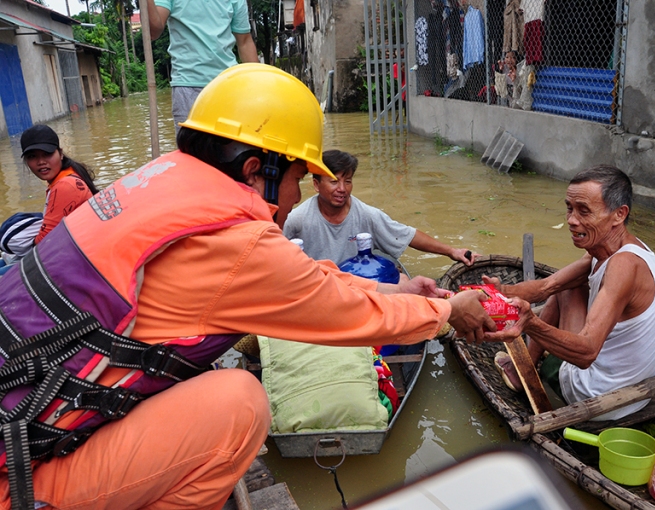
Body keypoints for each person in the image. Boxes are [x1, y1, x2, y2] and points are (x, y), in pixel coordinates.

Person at [0, 64, 495, 509]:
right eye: (298, 177)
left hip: (19, 421)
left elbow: (311, 279)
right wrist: (449, 314)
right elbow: (341, 312)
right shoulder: (234, 240)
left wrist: (402, 293)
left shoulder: (157, 182)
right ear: (257, 171)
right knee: (239, 403)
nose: (298, 194)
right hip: (15, 477)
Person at [487, 166, 655, 421]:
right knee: (564, 285)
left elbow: (587, 353)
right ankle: (527, 363)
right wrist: (500, 291)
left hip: (599, 397)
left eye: (584, 211)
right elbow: (546, 286)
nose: (571, 220)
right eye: (569, 208)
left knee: (568, 289)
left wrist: (530, 323)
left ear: (619, 215)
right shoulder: (618, 249)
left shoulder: (623, 265)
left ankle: (525, 368)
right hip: (633, 396)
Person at [283, 149, 479, 267]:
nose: (342, 189)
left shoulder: (366, 215)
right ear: (316, 185)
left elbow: (406, 235)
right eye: (334, 182)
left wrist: (452, 251)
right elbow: (275, 253)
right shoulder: (297, 219)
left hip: (357, 287)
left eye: (348, 181)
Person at [145, 0, 259, 132]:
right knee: (191, 149)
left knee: (231, 148)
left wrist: (258, 88)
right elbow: (153, 32)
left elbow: (244, 41)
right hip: (188, 84)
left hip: (227, 86)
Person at [0, 125, 98, 275]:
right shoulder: (65, 177)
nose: (41, 162)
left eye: (47, 154)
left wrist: (21, 243)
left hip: (78, 261)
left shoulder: (65, 186)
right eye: (33, 156)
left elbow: (44, 243)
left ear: (60, 153)